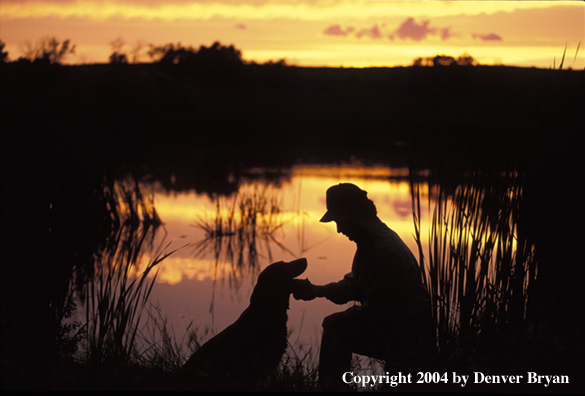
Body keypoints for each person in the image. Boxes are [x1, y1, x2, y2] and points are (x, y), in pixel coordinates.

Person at [293, 183, 435, 389]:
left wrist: (341, 317)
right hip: (399, 329)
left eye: (340, 221)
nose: (339, 229)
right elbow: (353, 286)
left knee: (335, 327)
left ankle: (330, 388)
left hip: (410, 338)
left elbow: (376, 313)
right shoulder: (371, 243)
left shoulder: (382, 251)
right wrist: (317, 291)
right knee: (337, 325)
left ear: (354, 216)